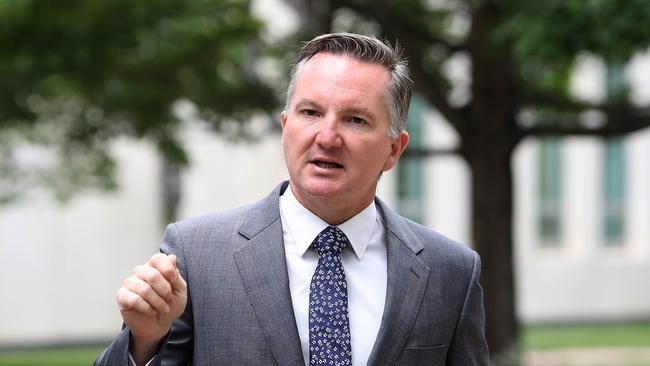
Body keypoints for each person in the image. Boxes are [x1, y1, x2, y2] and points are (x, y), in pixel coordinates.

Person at [95, 32, 488, 366]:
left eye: (355, 119)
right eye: (311, 112)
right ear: (286, 127)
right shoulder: (196, 257)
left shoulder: (450, 273)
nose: (327, 137)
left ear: (393, 150)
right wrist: (143, 343)